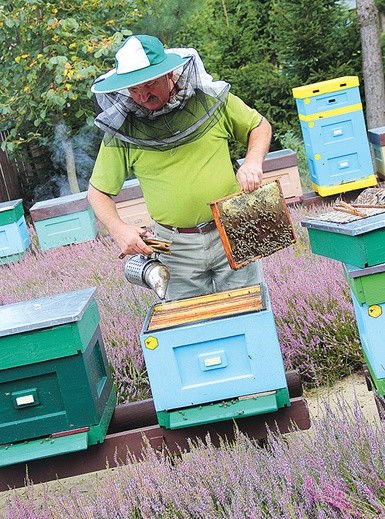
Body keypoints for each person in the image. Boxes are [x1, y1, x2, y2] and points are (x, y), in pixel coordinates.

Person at [88, 34, 272, 300]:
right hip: (174, 248)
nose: (142, 95)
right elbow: (98, 193)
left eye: (149, 83)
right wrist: (118, 229)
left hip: (232, 228)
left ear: (170, 74)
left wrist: (253, 162)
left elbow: (259, 126)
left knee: (249, 312)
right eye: (133, 89)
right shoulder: (123, 131)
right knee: (189, 330)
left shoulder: (210, 101)